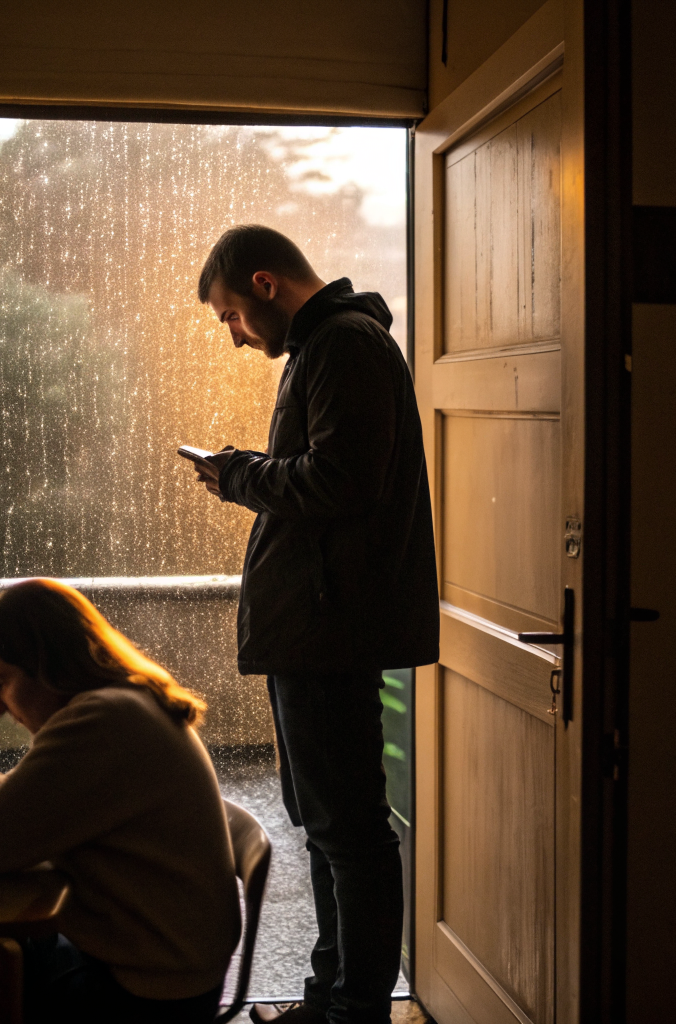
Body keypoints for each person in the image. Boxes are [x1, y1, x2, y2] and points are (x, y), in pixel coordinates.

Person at [187, 225, 439, 1024]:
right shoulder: (328, 348)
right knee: (329, 827)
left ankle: (351, 1012)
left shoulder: (345, 347)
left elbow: (340, 480)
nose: (233, 337)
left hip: (330, 633)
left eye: (230, 315)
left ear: (265, 285)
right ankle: (329, 1001)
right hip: (318, 631)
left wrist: (236, 474)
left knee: (350, 833)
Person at [0, 578, 241, 1024]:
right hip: (171, 973)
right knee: (2, 949)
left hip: (147, 997)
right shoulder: (126, 704)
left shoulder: (103, 720)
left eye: (0, 682)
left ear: (45, 664)